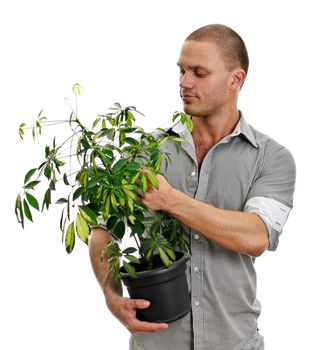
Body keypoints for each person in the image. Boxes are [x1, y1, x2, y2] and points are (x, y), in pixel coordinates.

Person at [89, 24, 296, 350]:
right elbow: (102, 230)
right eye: (182, 71)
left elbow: (256, 236)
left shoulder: (271, 159)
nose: (185, 82)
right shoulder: (146, 151)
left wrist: (171, 200)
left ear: (236, 79)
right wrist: (111, 297)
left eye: (199, 73)